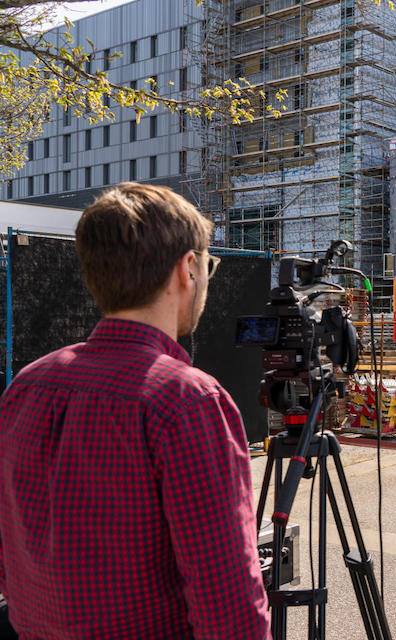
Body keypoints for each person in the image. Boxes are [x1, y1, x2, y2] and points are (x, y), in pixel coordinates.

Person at [0, 183, 270, 639]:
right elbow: (228, 604)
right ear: (187, 268)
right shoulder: (187, 400)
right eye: (209, 264)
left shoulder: (27, 386)